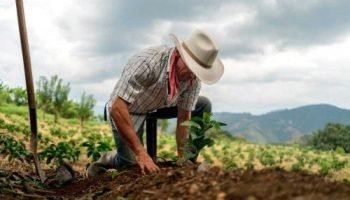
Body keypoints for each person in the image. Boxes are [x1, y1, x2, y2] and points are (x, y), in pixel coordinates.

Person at [87, 30, 224, 176]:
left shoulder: (192, 79)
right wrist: (141, 153)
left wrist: (183, 161)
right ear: (179, 55)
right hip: (129, 108)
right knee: (131, 165)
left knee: (203, 104)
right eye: (192, 68)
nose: (193, 76)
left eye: (198, 72)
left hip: (160, 104)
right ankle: (109, 158)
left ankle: (188, 161)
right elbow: (117, 107)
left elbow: (184, 117)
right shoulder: (148, 63)